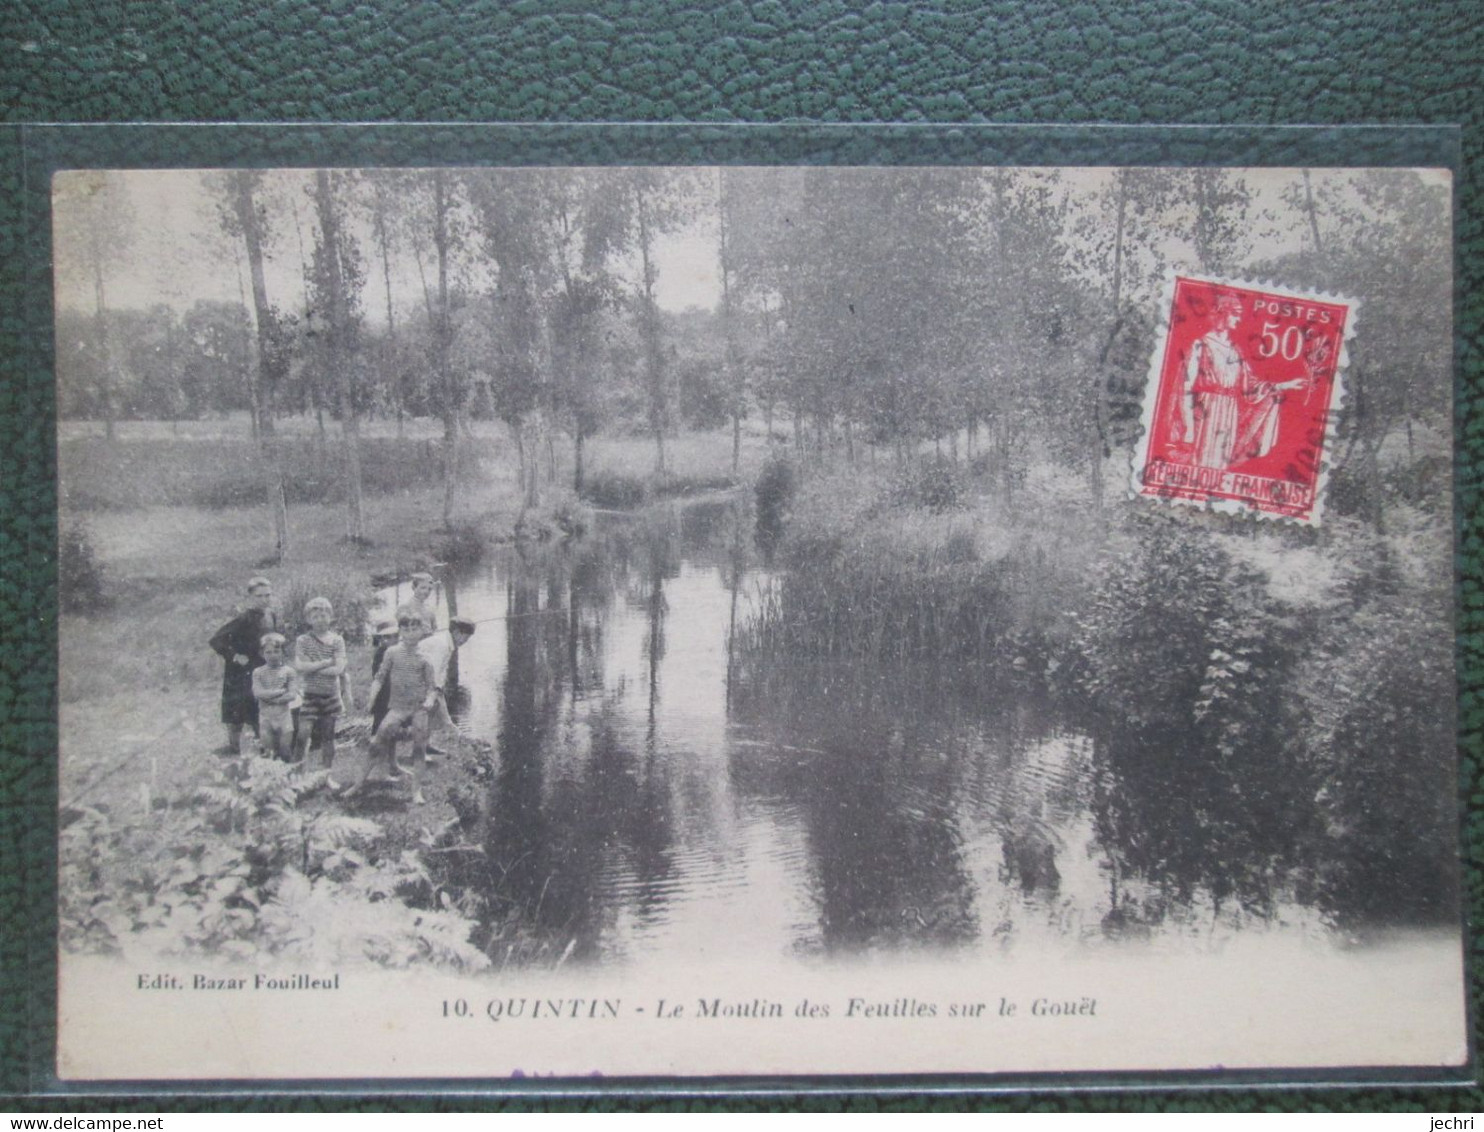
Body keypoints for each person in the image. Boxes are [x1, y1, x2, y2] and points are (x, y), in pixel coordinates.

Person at [1179, 293, 1306, 469]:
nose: (1239, 319)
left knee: (1221, 464)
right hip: (1207, 409)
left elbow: (1251, 386)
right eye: (1236, 314)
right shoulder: (1201, 345)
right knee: (1202, 462)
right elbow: (1185, 389)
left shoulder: (1236, 351)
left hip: (1230, 411)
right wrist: (1189, 428)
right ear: (1223, 313)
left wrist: (1284, 385)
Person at [346, 607, 437, 805]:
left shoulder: (426, 658)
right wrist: (371, 700)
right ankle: (358, 784)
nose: (411, 633)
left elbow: (432, 687)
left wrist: (429, 700)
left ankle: (416, 792)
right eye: (407, 629)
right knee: (376, 743)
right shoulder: (392, 652)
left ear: (422, 631)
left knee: (419, 749)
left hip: (419, 708)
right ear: (401, 632)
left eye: (415, 629)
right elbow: (379, 678)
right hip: (397, 707)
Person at [208, 576, 279, 755]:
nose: (265, 599)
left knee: (259, 708)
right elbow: (217, 640)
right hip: (240, 673)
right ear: (250, 598)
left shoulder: (271, 616)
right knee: (235, 711)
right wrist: (234, 656)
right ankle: (233, 746)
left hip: (262, 668)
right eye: (259, 596)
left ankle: (263, 746)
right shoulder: (243, 619)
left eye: (268, 595)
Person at [293, 596, 348, 783]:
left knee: (328, 737)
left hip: (331, 695)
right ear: (308, 619)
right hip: (309, 695)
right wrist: (325, 662)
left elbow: (338, 669)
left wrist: (313, 666)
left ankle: (326, 776)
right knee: (302, 736)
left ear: (331, 616)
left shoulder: (337, 640)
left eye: (324, 615)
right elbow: (300, 667)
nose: (320, 619)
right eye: (315, 616)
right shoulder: (302, 640)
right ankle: (298, 777)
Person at [417, 616, 476, 758]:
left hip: (425, 679)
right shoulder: (442, 645)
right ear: (456, 632)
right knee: (427, 712)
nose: (465, 642)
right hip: (412, 677)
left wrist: (439, 689)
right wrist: (434, 693)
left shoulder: (447, 643)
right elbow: (433, 670)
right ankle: (420, 750)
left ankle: (427, 745)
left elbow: (440, 672)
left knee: (439, 714)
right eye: (465, 638)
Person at [251, 633, 300, 762]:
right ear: (262, 654)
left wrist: (271, 698)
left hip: (284, 717)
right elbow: (257, 693)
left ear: (283, 652)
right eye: (268, 652)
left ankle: (290, 779)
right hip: (266, 718)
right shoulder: (258, 672)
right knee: (269, 754)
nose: (272, 655)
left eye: (276, 651)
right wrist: (279, 692)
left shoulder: (289, 671)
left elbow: (292, 694)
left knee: (285, 751)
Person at [368, 616, 398, 734]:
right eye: (387, 637)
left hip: (397, 692)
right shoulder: (380, 654)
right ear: (380, 638)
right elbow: (379, 678)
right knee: (380, 722)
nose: (393, 639)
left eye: (395, 636)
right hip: (383, 694)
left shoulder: (399, 650)